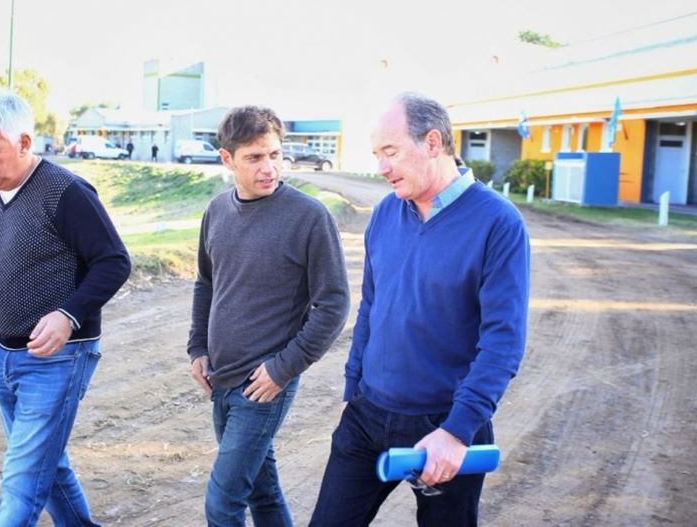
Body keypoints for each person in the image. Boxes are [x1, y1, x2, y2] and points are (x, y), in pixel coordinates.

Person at [310, 92, 530, 527]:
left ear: (432, 142)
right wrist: (352, 390)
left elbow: (503, 343)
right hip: (367, 415)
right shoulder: (385, 213)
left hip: (445, 424)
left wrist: (456, 430)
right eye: (376, 154)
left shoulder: (498, 224)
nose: (381, 167)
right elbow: (372, 308)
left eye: (390, 152)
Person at [0, 88, 131, 527]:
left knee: (21, 480)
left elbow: (114, 261)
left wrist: (67, 314)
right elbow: (2, 258)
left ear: (23, 142)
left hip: (59, 356)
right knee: (45, 466)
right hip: (4, 353)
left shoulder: (66, 192)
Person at [188, 105, 351, 526]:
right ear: (228, 160)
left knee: (222, 503)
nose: (269, 168)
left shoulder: (309, 217)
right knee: (263, 492)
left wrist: (284, 368)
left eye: (275, 155)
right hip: (221, 378)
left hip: (263, 386)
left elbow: (333, 304)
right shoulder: (217, 211)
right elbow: (207, 284)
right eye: (255, 158)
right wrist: (198, 347)